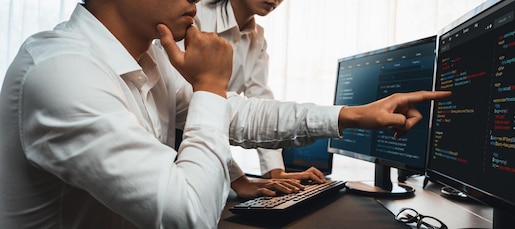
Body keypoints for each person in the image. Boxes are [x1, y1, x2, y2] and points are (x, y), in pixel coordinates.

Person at [0, 0, 451, 228]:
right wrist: (210, 85)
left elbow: (236, 113)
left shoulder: (148, 57)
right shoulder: (63, 73)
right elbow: (189, 215)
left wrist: (351, 115)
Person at [193, 0, 327, 183]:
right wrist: (238, 179)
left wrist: (276, 171)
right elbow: (188, 111)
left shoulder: (258, 39)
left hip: (207, 150)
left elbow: (261, 99)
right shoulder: (195, 15)